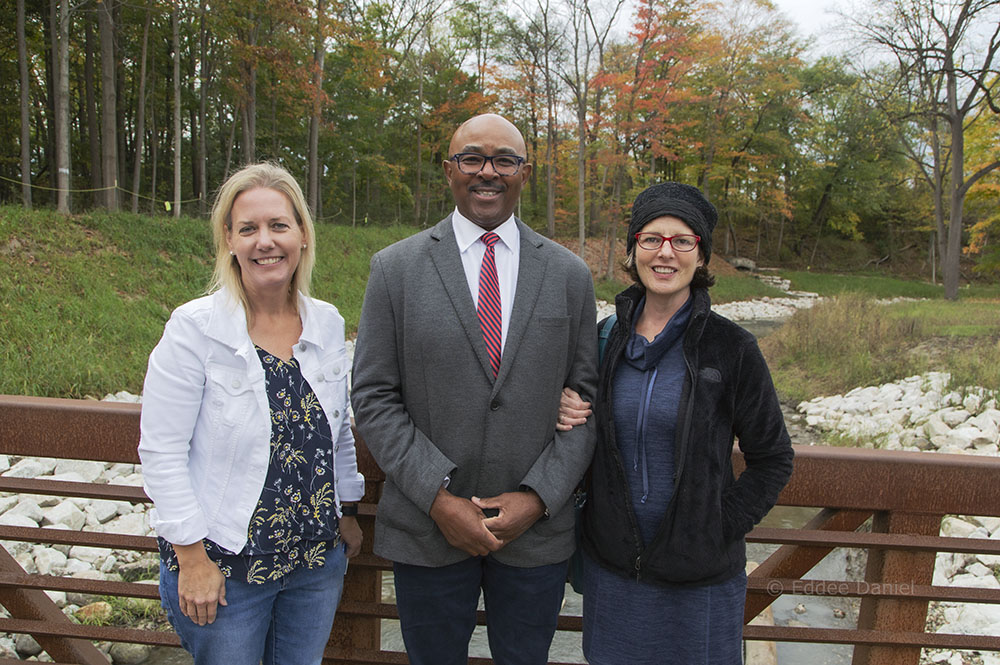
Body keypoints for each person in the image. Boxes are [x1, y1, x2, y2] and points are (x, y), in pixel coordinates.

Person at [350, 113, 598, 665]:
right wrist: (439, 500)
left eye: (504, 160)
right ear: (449, 170)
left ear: (524, 172)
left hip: (535, 536)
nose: (488, 172)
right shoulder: (395, 270)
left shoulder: (568, 275)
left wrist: (537, 498)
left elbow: (588, 402)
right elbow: (371, 395)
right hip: (427, 527)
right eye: (473, 158)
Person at [138, 162, 364, 665]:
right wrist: (191, 559)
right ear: (230, 240)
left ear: (302, 234)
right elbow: (161, 451)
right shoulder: (194, 328)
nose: (266, 241)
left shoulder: (326, 323)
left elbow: (334, 431)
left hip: (314, 564)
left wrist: (347, 510)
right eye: (249, 229)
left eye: (279, 225)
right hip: (225, 570)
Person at [558, 182, 794, 664]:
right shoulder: (604, 340)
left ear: (701, 256)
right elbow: (578, 421)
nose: (665, 253)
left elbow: (773, 459)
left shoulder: (732, 348)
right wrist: (564, 407)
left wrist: (717, 526)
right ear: (633, 249)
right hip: (614, 570)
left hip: (699, 580)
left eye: (682, 241)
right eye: (652, 239)